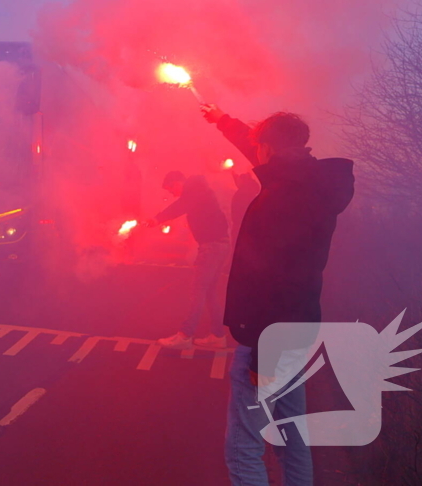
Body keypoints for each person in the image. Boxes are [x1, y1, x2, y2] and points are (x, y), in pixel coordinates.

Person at [201, 105, 354, 486]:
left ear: (270, 147)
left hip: (269, 336)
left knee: (244, 446)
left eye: (260, 146)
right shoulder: (310, 181)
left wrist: (262, 355)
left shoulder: (283, 199)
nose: (257, 154)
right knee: (290, 436)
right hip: (296, 329)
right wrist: (224, 121)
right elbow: (259, 150)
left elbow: (279, 279)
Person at [148, 170, 230, 349]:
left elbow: (179, 206)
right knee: (209, 292)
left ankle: (185, 336)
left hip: (212, 246)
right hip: (217, 245)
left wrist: (157, 219)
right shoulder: (199, 190)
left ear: (177, 182)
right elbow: (183, 205)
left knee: (198, 290)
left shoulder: (194, 191)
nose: (172, 193)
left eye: (171, 189)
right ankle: (217, 335)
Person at [229, 170, 260, 243]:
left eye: (239, 180)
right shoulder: (249, 192)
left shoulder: (242, 194)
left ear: (243, 181)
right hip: (246, 226)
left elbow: (238, 212)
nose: (237, 182)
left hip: (241, 227)